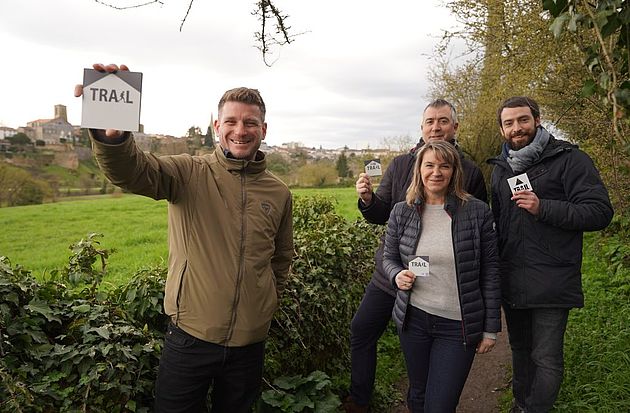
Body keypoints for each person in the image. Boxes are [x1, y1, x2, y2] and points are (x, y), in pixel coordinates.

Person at [75, 63, 294, 412]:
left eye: (250, 122)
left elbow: (281, 259)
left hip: (250, 342)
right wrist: (113, 137)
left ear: (263, 129)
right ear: (217, 127)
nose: (241, 130)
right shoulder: (188, 173)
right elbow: (133, 172)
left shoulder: (278, 192)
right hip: (190, 336)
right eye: (232, 122)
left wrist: (265, 304)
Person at [344, 99, 487, 412]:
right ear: (422, 128)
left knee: (427, 369)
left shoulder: (470, 171)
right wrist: (367, 199)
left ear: (455, 127)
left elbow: (479, 230)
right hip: (392, 275)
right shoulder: (399, 165)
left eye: (443, 121)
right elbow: (382, 214)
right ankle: (360, 399)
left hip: (439, 284)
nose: (436, 127)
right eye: (430, 122)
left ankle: (428, 393)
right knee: (362, 329)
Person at [489, 96, 613, 413]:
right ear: (502, 128)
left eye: (522, 120)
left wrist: (543, 207)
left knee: (545, 357)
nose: (516, 128)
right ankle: (520, 404)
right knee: (520, 348)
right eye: (509, 123)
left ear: (537, 120)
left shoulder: (570, 159)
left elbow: (599, 212)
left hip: (551, 278)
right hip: (513, 276)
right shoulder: (501, 167)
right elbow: (500, 222)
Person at [382, 140, 501, 412]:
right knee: (418, 394)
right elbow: (388, 259)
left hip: (457, 325)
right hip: (414, 320)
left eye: (444, 166)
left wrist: (490, 328)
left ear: (454, 171)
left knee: (441, 404)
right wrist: (397, 275)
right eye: (430, 165)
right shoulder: (402, 211)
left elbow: (491, 271)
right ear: (419, 170)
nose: (436, 172)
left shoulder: (477, 212)